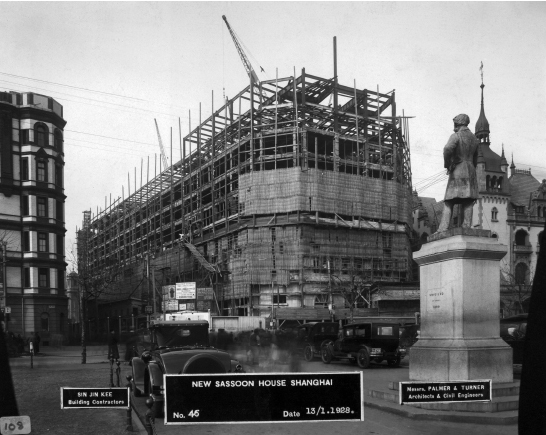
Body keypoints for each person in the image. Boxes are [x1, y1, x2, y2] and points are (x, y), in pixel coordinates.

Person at [436, 114, 479, 232]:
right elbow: (476, 159)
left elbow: (447, 149)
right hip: (470, 171)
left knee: (449, 201)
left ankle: (443, 228)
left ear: (457, 124)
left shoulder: (456, 136)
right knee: (468, 200)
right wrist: (471, 168)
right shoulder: (475, 139)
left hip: (458, 170)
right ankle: (467, 226)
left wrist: (447, 164)